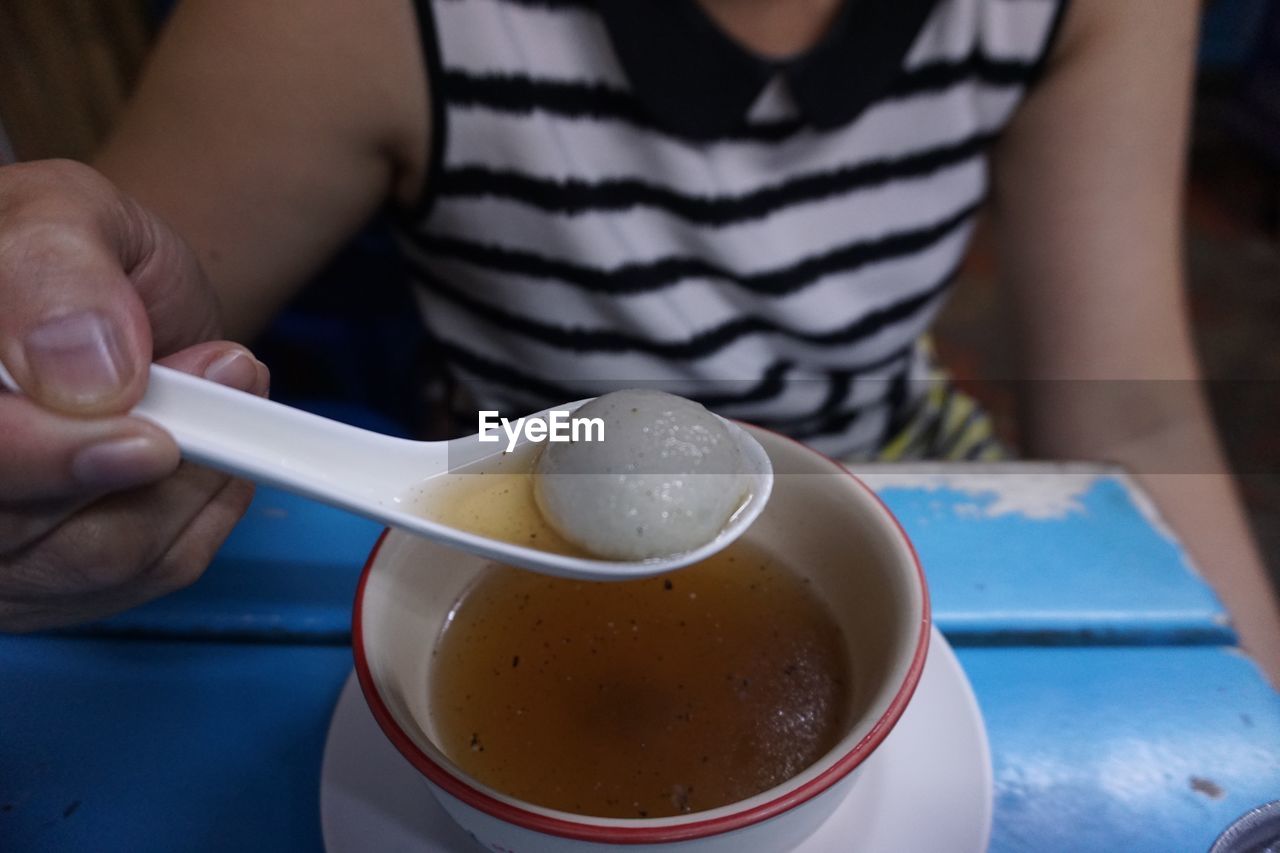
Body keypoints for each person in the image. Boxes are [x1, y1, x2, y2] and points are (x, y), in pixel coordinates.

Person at [1, 0, 1278, 681]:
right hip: (508, 458)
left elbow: (1136, 420)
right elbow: (112, 378)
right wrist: (54, 460)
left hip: (901, 446)